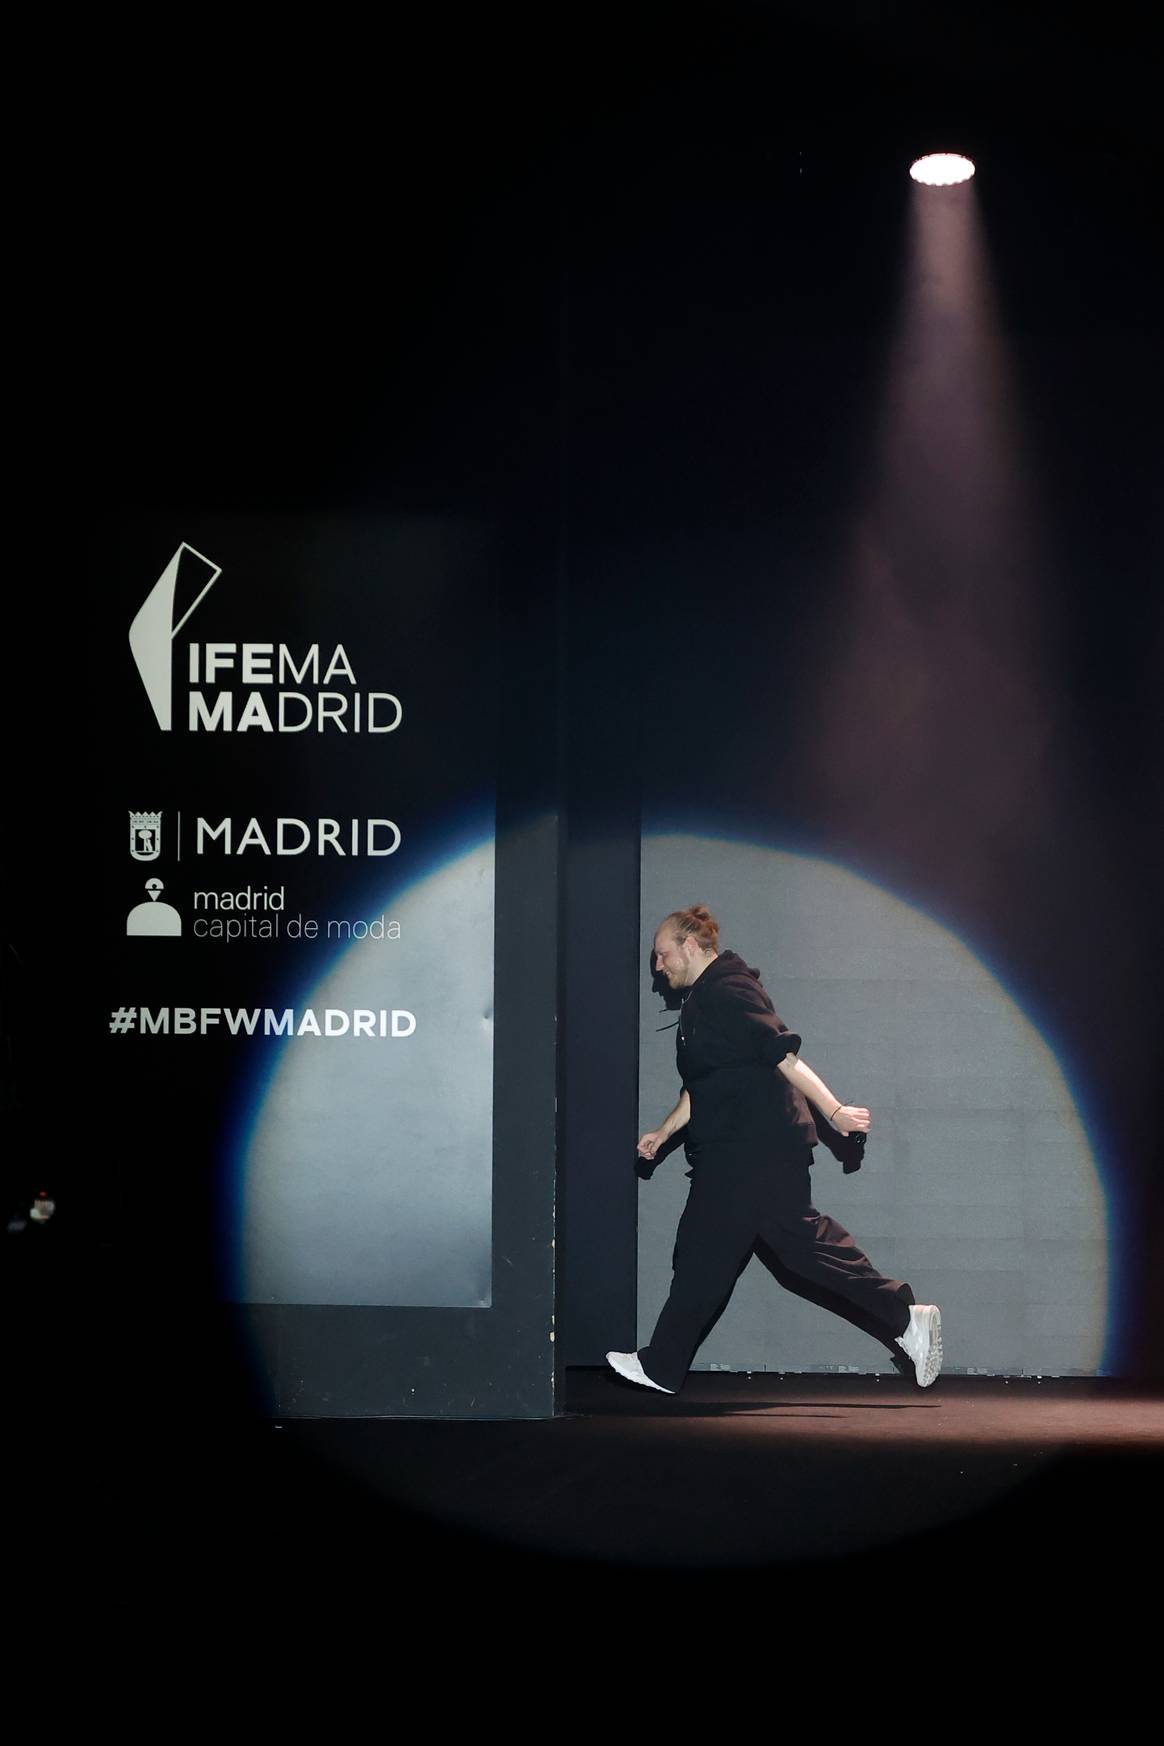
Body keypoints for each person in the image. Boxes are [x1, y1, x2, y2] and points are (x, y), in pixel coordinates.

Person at [606, 904, 942, 1394]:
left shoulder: (729, 988)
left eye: (662, 955)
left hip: (753, 1151)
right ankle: (904, 1318)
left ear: (691, 945)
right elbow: (703, 1087)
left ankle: (661, 1365)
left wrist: (834, 1112)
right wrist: (664, 1132)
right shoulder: (703, 1002)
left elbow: (782, 1055)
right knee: (763, 1252)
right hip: (738, 1150)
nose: (657, 967)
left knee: (728, 1252)